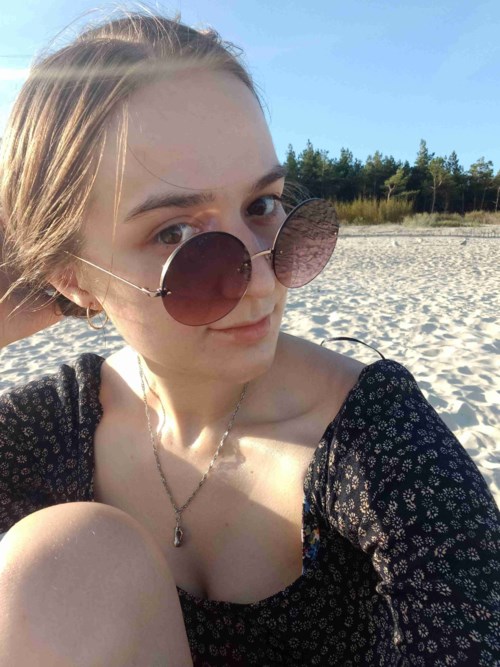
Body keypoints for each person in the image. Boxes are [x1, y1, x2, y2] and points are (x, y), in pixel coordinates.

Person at [0, 11, 499, 667]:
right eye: (176, 233)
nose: (262, 280)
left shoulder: (381, 446)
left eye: (264, 205)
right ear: (72, 275)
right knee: (65, 560)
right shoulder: (51, 429)